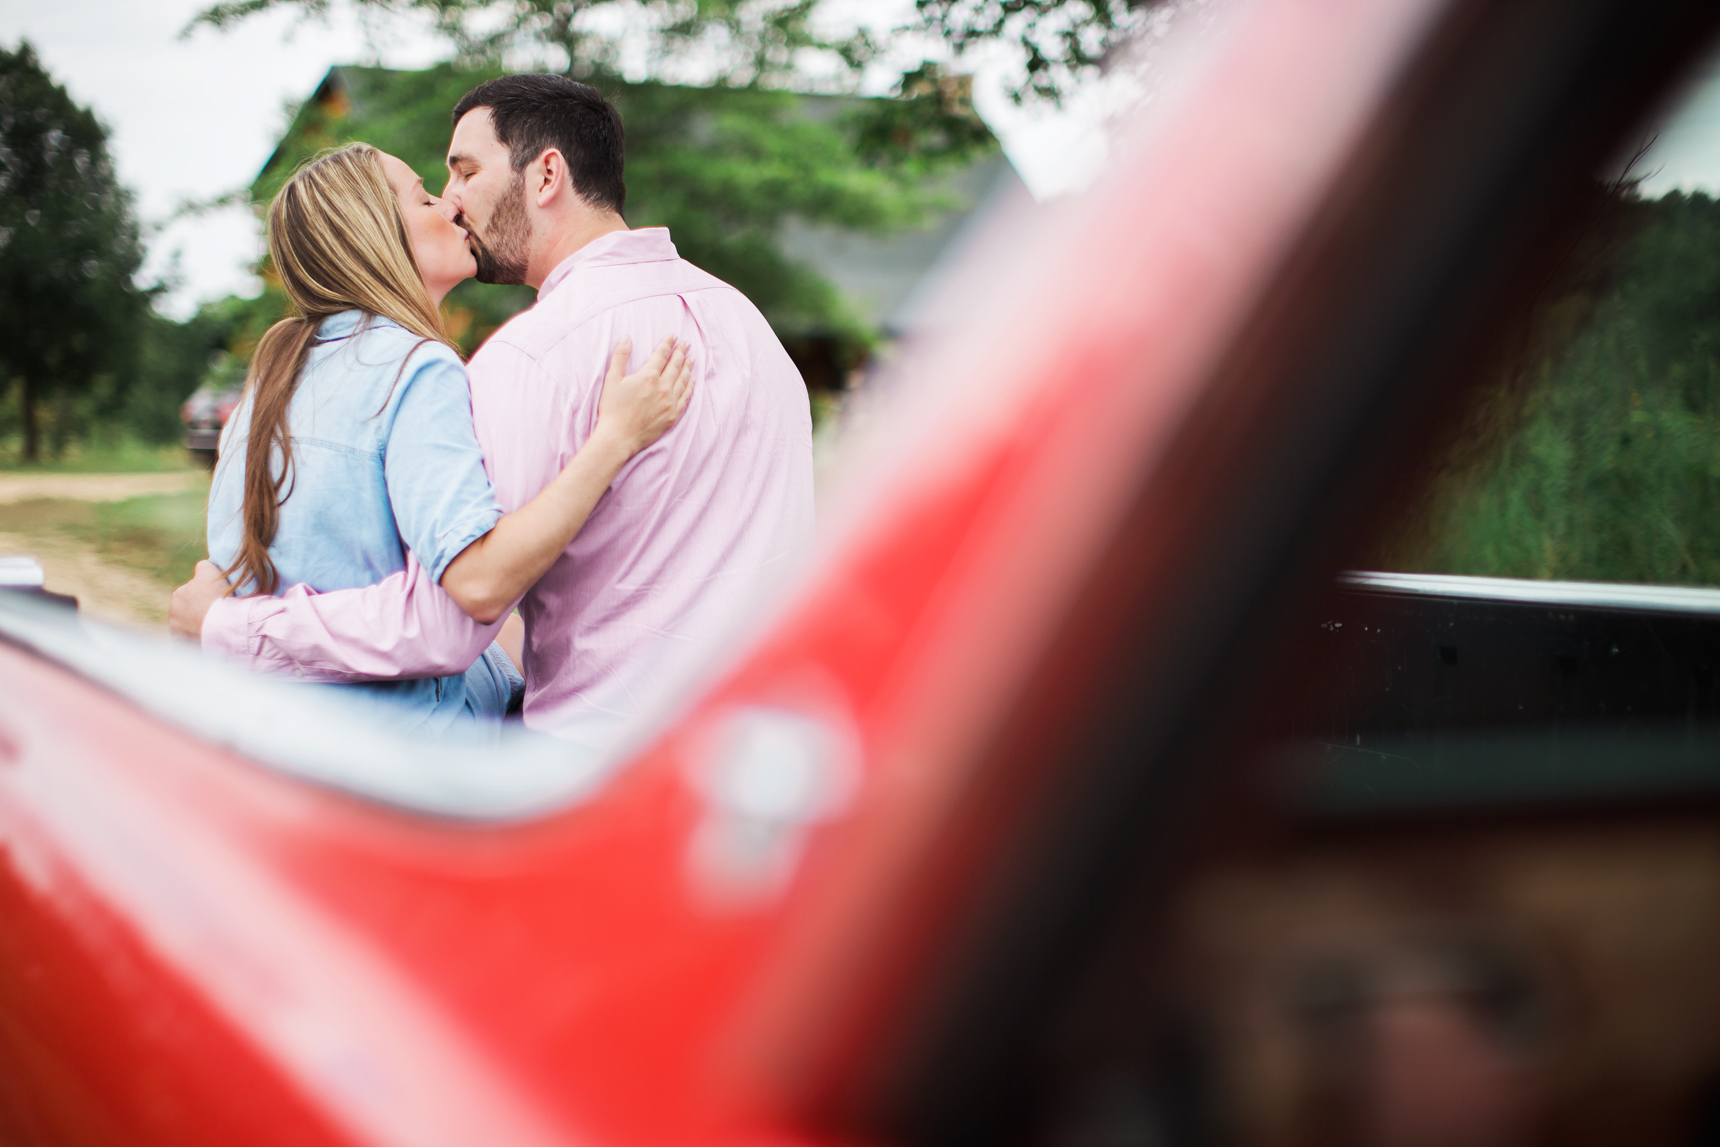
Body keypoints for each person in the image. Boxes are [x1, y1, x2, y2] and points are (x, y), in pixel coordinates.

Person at [171, 75, 815, 751]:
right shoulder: (753, 330)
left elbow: (456, 609)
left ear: (545, 176)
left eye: (466, 172)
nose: (452, 202)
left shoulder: (528, 358)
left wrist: (228, 627)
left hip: (587, 774)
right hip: (761, 769)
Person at [190, 141, 692, 739]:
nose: (452, 207)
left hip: (267, 733)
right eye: (424, 197)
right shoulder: (417, 369)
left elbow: (231, 579)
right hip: (406, 754)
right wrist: (616, 439)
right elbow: (469, 593)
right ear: (375, 235)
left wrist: (225, 626)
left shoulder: (271, 374)